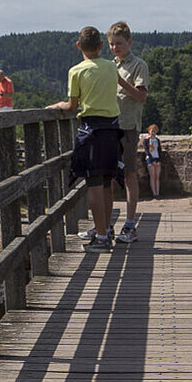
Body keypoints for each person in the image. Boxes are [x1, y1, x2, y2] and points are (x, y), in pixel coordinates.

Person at [48, 27, 123, 253]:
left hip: (91, 130)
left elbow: (72, 106)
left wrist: (57, 106)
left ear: (79, 46)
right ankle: (107, 230)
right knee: (108, 182)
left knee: (93, 184)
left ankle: (100, 237)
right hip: (112, 129)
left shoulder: (76, 71)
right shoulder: (111, 66)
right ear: (100, 46)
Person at [108, 22, 148, 243]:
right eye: (112, 44)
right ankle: (106, 225)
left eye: (119, 44)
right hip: (111, 126)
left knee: (129, 174)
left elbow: (141, 97)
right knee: (109, 175)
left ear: (129, 42)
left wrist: (121, 82)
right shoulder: (110, 65)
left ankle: (130, 224)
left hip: (129, 127)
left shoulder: (138, 65)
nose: (115, 48)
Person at [143, 124, 163, 198]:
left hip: (157, 158)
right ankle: (154, 193)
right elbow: (146, 150)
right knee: (152, 176)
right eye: (152, 131)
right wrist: (152, 160)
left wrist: (159, 160)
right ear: (149, 131)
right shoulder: (146, 140)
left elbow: (160, 150)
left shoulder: (157, 140)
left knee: (157, 177)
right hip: (150, 159)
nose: (153, 132)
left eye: (154, 131)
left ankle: (157, 193)